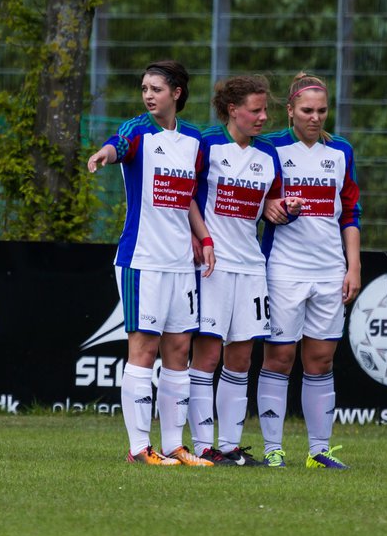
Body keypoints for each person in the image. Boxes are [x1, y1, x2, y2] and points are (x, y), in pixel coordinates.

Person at [87, 60, 215, 467]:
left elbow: (188, 198)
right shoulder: (137, 129)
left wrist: (205, 238)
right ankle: (139, 448)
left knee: (179, 350)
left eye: (156, 88)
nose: (148, 95)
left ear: (176, 92)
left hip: (181, 263)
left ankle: (175, 445)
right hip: (142, 260)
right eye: (144, 87)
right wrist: (104, 154)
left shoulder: (194, 138)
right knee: (143, 350)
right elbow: (117, 144)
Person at [187, 75, 299, 466]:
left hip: (252, 267)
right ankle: (203, 447)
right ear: (233, 110)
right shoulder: (208, 144)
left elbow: (271, 205)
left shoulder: (267, 155)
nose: (264, 117)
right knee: (207, 356)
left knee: (240, 358)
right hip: (213, 267)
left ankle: (230, 446)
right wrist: (201, 240)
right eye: (256, 109)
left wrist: (282, 208)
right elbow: (187, 198)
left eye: (265, 109)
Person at [257, 72, 362, 469]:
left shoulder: (341, 152)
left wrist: (353, 267)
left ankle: (319, 451)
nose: (315, 118)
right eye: (306, 111)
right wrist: (272, 206)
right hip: (283, 267)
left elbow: (350, 212)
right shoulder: (270, 148)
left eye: (321, 111)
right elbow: (258, 198)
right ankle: (273, 450)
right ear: (289, 111)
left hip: (329, 269)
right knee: (280, 357)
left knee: (320, 360)